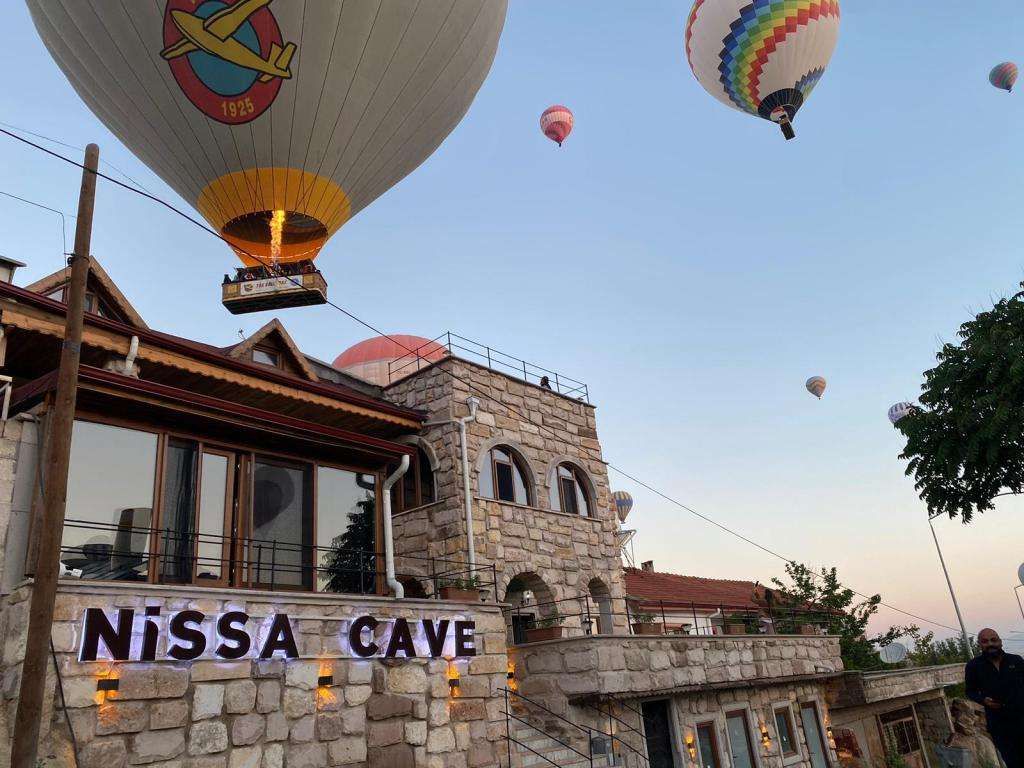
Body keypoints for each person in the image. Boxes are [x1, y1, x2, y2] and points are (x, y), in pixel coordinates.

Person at [965, 628, 1024, 768]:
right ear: (980, 644)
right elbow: (970, 691)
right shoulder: (974, 666)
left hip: (1022, 719)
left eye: (993, 640)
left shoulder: (1016, 661)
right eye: (985, 641)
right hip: (1000, 726)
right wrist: (983, 700)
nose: (990, 644)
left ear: (1000, 642)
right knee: (1014, 763)